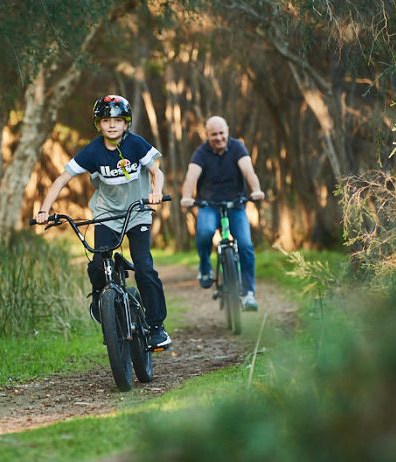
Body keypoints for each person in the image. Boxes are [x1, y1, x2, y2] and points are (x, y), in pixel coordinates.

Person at [36, 94, 172, 348]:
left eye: (118, 120)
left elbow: (157, 171)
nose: (112, 125)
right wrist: (45, 210)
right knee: (98, 264)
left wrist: (155, 192)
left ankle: (156, 327)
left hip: (137, 212)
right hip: (107, 215)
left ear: (126, 123)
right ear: (98, 125)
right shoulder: (92, 151)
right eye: (106, 120)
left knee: (144, 267)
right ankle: (100, 296)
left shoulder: (136, 144)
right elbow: (61, 180)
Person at [180, 115, 265, 310]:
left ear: (227, 131)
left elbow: (248, 171)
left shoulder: (237, 147)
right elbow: (191, 177)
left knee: (245, 245)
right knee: (204, 233)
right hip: (208, 204)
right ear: (207, 135)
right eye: (214, 135)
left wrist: (256, 190)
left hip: (235, 204)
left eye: (221, 133)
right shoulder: (201, 152)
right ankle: (204, 266)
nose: (218, 138)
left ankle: (248, 293)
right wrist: (187, 196)